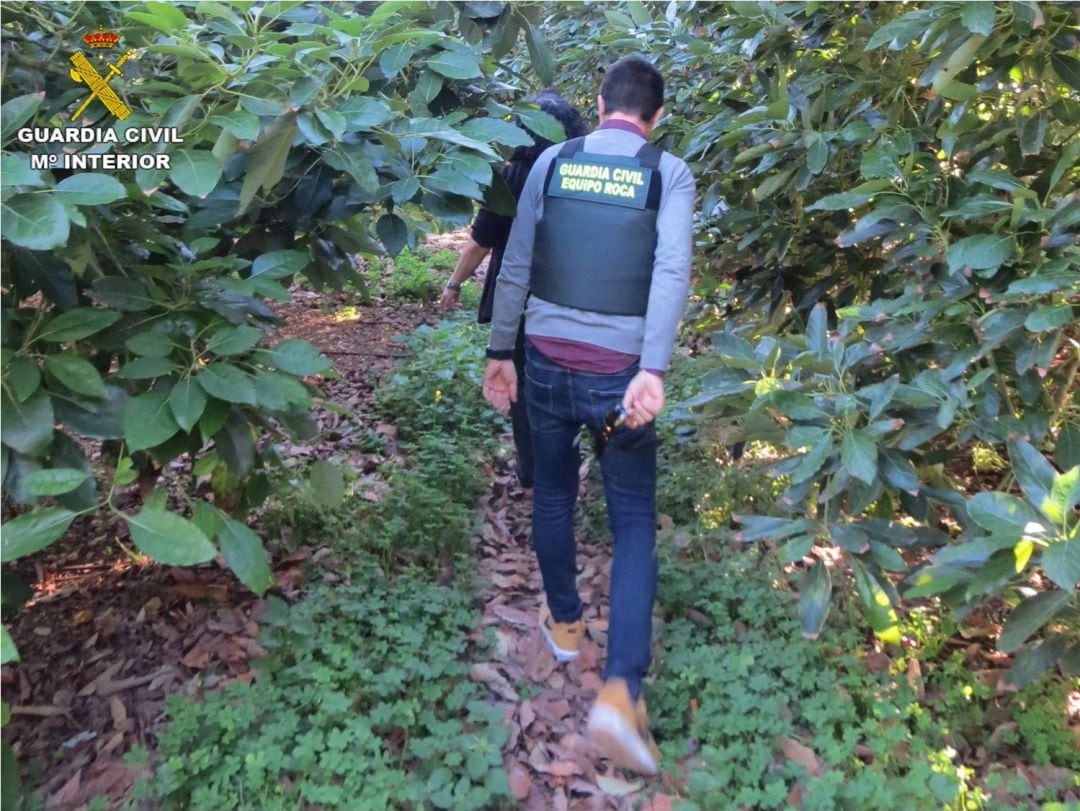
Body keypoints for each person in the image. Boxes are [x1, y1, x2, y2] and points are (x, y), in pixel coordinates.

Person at [480, 55, 695, 775]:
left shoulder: (553, 163)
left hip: (543, 362)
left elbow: (515, 263)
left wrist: (500, 349)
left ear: (599, 103)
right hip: (619, 380)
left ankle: (566, 621)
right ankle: (621, 692)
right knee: (632, 520)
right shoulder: (668, 173)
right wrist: (653, 368)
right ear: (656, 116)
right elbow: (670, 272)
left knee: (553, 491)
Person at [441, 90, 588, 489]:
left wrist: (454, 284)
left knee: (521, 386)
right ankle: (566, 464)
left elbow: (481, 240)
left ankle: (532, 470)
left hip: (520, 298)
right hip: (574, 296)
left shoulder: (512, 177)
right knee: (567, 381)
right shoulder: (585, 172)